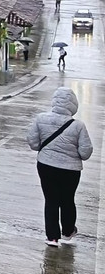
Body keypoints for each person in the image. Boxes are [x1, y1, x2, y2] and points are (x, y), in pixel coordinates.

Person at [27, 88, 94, 246]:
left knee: (51, 200)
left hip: (46, 166)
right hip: (70, 171)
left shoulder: (40, 119)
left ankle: (52, 237)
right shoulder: (78, 126)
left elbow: (33, 142)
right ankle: (68, 231)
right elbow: (85, 152)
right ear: (73, 104)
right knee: (68, 199)